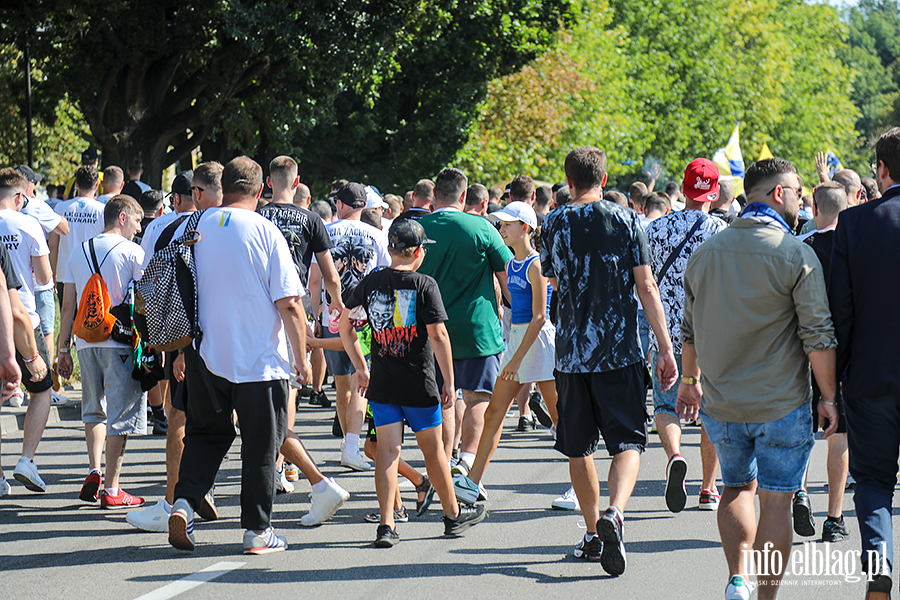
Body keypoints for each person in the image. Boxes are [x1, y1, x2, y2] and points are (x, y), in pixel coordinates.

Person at [677, 157, 837, 600]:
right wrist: (828, 397)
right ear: (779, 194)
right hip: (781, 402)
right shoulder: (795, 253)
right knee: (777, 500)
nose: (802, 201)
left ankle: (737, 579)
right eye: (799, 192)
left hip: (723, 402)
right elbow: (818, 336)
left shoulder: (706, 253)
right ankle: (765, 595)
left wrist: (689, 379)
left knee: (734, 487)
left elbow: (689, 330)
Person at [540, 146, 678, 577]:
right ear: (603, 179)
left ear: (568, 181)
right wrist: (665, 345)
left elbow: (555, 280)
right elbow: (647, 287)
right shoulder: (630, 220)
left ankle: (592, 531)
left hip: (573, 354)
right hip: (620, 352)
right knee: (628, 442)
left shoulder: (553, 223)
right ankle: (616, 512)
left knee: (578, 446)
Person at [167, 157, 311, 555]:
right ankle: (256, 531)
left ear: (222, 186)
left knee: (205, 436)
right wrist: (301, 357)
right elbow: (290, 303)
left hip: (205, 355)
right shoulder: (265, 231)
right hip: (259, 359)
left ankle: (183, 504)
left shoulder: (194, 227)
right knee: (262, 444)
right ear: (262, 188)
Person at [340, 218, 486, 546]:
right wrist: (449, 380)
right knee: (434, 452)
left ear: (390, 249)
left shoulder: (370, 283)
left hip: (383, 381)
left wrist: (360, 366)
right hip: (419, 381)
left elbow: (345, 327)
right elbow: (438, 334)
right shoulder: (425, 284)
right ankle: (452, 516)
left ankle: (387, 524)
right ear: (418, 252)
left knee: (388, 452)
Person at [125, 161, 223, 533]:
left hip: (191, 340)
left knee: (179, 418)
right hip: (237, 340)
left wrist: (169, 346)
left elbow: (155, 288)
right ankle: (208, 492)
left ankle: (173, 502)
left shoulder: (169, 229)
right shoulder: (249, 226)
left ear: (190, 194)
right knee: (238, 419)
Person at [258, 155, 349, 523]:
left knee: (262, 400)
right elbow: (329, 275)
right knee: (283, 391)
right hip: (291, 306)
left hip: (258, 305)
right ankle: (288, 468)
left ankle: (289, 470)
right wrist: (336, 307)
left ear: (267, 182)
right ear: (297, 183)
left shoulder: (257, 216)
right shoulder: (312, 219)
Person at [830, 127, 900, 599]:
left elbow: (840, 312)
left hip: (871, 376)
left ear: (881, 169)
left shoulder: (854, 224)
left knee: (873, 479)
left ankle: (878, 560)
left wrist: (832, 387)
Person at [452, 201, 560, 506]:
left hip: (538, 343)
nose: (501, 229)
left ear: (524, 228)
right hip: (518, 340)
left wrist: (513, 359)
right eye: (500, 224)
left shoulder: (537, 264)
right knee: (493, 413)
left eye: (507, 225)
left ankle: (578, 485)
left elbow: (540, 316)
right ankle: (472, 482)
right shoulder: (512, 264)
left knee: (558, 418)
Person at [417, 168, 512, 483]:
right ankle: (468, 463)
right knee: (477, 396)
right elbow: (508, 280)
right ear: (463, 195)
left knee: (442, 398)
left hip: (428, 330)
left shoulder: (416, 228)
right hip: (477, 328)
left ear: (434, 196)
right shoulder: (484, 229)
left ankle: (441, 464)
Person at [646, 159, 727, 513]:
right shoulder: (723, 232)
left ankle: (675, 455)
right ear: (714, 192)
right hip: (710, 335)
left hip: (664, 335)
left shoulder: (655, 229)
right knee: (711, 411)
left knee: (666, 406)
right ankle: (708, 488)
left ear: (684, 186)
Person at [58, 195, 149, 508]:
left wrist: (63, 348)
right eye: (137, 221)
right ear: (122, 217)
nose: (139, 229)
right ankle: (112, 488)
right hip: (118, 341)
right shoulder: (132, 252)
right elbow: (145, 301)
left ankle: (94, 469)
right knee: (121, 414)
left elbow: (68, 305)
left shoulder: (78, 252)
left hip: (85, 341)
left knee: (94, 409)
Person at [318, 182, 390, 471]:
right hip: (366, 317)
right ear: (364, 207)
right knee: (363, 379)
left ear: (340, 204)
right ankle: (351, 443)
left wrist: (317, 313)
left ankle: (348, 443)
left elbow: (315, 279)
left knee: (342, 383)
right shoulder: (376, 234)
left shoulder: (326, 232)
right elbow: (386, 274)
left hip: (332, 315)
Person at [794, 182, 851, 544]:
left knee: (799, 434)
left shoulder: (799, 248)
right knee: (839, 436)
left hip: (800, 354)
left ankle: (798, 491)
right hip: (843, 355)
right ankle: (834, 518)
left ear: (813, 209)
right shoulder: (853, 250)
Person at [0, 169, 53, 493]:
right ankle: (27, 459)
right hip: (23, 319)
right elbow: (45, 277)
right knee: (42, 387)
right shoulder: (28, 223)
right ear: (20, 197)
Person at [51, 166, 105, 310]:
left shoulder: (60, 208)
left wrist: (53, 273)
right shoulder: (102, 210)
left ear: (76, 184)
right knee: (88, 322)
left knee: (67, 318)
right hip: (92, 273)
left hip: (64, 271)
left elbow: (53, 245)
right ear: (97, 185)